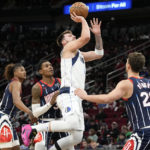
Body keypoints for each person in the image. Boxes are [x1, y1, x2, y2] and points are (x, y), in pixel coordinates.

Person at [22, 13, 104, 150]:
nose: (73, 36)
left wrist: (98, 34)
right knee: (71, 124)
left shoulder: (79, 54)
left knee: (77, 137)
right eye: (69, 35)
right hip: (68, 93)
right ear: (64, 42)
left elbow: (99, 54)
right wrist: (83, 19)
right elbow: (85, 37)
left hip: (77, 96)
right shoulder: (67, 50)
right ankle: (33, 129)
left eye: (73, 34)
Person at [75, 52, 150, 150]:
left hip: (143, 131)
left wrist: (86, 96)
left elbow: (107, 99)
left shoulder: (126, 84)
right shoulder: (148, 82)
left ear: (128, 65)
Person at [31, 60, 67, 150]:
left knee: (69, 146)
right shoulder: (37, 87)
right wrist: (51, 103)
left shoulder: (61, 82)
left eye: (51, 65)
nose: (50, 67)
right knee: (40, 145)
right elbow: (35, 113)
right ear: (40, 71)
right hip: (44, 121)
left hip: (60, 120)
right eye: (46, 66)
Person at [0, 63, 37, 150]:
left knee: (16, 147)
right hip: (4, 118)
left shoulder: (14, 84)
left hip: (9, 120)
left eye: (24, 70)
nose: (24, 72)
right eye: (21, 70)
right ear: (15, 73)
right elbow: (16, 101)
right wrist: (29, 112)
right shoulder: (16, 83)